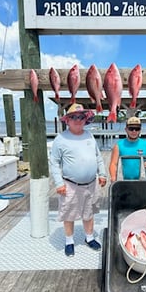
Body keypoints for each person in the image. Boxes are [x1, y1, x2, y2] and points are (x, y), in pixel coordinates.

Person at [50, 103, 107, 256]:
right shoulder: (60, 138)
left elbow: (98, 157)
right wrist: (59, 183)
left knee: (89, 212)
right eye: (73, 117)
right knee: (69, 213)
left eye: (81, 117)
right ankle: (69, 241)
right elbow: (54, 163)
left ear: (85, 120)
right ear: (67, 120)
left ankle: (89, 238)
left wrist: (102, 174)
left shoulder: (89, 135)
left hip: (91, 183)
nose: (77, 120)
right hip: (70, 185)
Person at [109, 117, 146, 181]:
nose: (134, 131)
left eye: (137, 129)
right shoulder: (118, 145)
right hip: (123, 181)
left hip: (141, 181)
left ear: (140, 130)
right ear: (126, 129)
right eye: (131, 129)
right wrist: (113, 177)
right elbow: (113, 164)